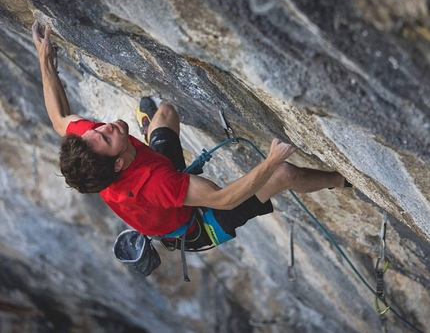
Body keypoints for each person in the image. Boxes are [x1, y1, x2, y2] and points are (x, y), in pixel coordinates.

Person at [32, 20, 348, 250]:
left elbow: (60, 119)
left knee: (166, 112)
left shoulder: (92, 147)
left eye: (97, 130)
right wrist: (271, 160)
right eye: (105, 137)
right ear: (116, 164)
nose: (104, 127)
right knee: (284, 173)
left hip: (157, 182)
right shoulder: (158, 184)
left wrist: (45, 60)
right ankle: (340, 180)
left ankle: (151, 132)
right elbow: (224, 200)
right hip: (197, 226)